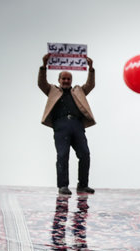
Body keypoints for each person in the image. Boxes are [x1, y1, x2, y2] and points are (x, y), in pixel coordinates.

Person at [38, 54, 97, 195]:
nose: (66, 81)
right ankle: (63, 185)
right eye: (63, 79)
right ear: (59, 80)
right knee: (63, 155)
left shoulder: (78, 90)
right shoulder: (53, 90)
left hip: (77, 125)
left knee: (85, 154)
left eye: (68, 79)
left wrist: (91, 68)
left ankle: (83, 185)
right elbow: (41, 83)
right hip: (61, 125)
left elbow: (90, 85)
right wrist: (44, 65)